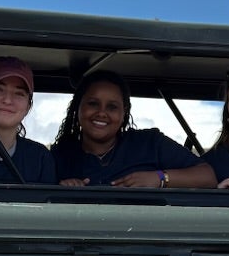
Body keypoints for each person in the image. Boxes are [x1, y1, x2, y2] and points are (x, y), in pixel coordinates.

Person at [50, 72, 216, 189]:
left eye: (112, 107)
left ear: (124, 113)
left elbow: (207, 176)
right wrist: (65, 188)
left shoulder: (150, 143)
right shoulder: (60, 155)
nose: (102, 112)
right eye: (93, 103)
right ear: (77, 108)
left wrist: (159, 178)